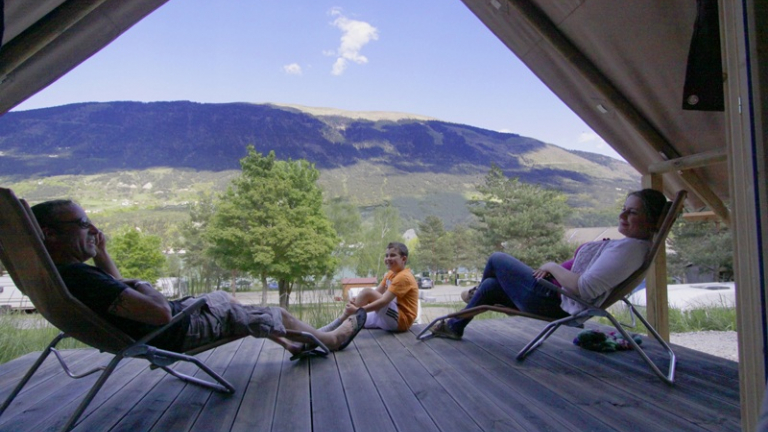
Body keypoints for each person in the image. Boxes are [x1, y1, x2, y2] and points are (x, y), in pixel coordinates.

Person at [31, 199, 366, 359]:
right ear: (51, 235)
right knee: (275, 314)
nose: (93, 230)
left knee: (224, 296)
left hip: (169, 324)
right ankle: (330, 340)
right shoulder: (80, 279)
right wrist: (144, 284)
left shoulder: (65, 276)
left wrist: (101, 254)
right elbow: (159, 314)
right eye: (83, 224)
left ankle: (293, 343)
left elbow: (117, 291)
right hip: (178, 329)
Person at [429, 189, 668, 340]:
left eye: (633, 212)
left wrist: (553, 266)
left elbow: (584, 288)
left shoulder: (631, 250)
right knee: (491, 286)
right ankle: (455, 326)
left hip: (551, 301)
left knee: (497, 259)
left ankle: (472, 295)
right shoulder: (631, 246)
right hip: (551, 294)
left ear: (652, 220)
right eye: (623, 209)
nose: (623, 216)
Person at [322, 242, 419, 333]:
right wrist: (358, 300)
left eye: (393, 255)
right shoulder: (390, 274)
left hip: (401, 320)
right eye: (386, 255)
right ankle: (333, 333)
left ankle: (334, 328)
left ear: (403, 259)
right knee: (354, 323)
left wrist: (358, 310)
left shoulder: (404, 277)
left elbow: (383, 301)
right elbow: (376, 293)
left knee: (365, 295)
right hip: (388, 315)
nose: (388, 258)